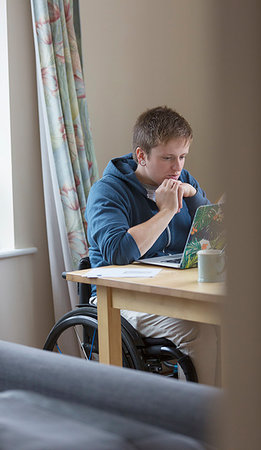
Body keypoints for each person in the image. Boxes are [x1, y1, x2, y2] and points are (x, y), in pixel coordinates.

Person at [85, 106, 219, 385]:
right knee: (200, 331)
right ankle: (196, 418)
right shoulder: (107, 191)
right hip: (122, 298)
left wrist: (193, 195)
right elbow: (119, 253)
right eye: (168, 158)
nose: (178, 167)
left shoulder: (181, 180)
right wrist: (166, 211)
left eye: (183, 156)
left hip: (173, 290)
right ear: (141, 156)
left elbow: (210, 236)